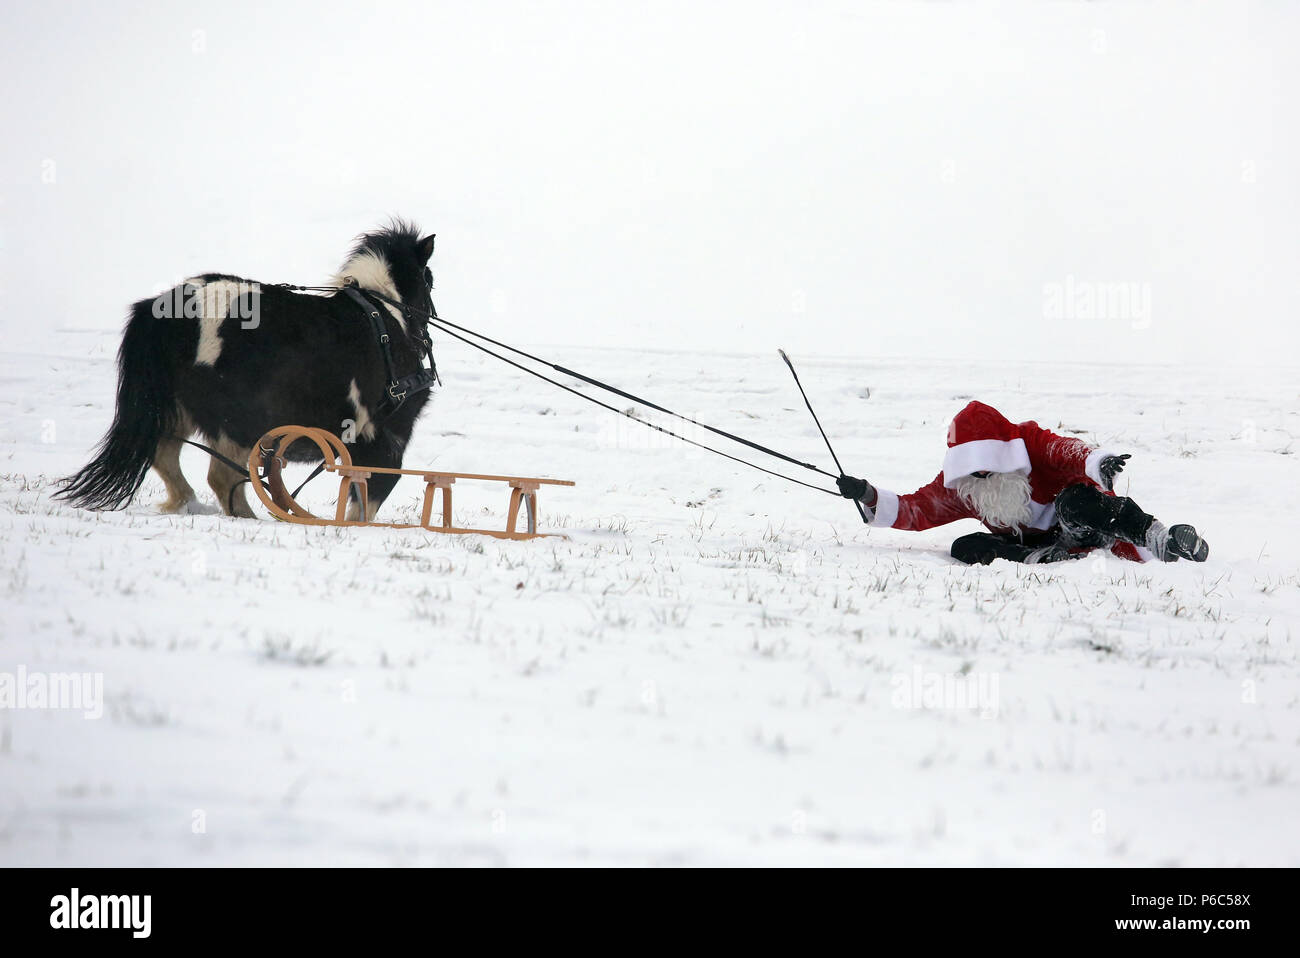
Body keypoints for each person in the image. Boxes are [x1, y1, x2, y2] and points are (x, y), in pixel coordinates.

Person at [835, 401, 1208, 565]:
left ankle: (1162, 539)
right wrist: (866, 493)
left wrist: (1097, 461)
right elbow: (916, 511)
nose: (981, 477)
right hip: (1034, 544)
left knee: (1075, 501)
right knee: (964, 546)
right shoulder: (963, 485)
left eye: (988, 467)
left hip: (1085, 526)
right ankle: (1042, 558)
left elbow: (1066, 450)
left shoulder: (1028, 440)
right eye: (973, 469)